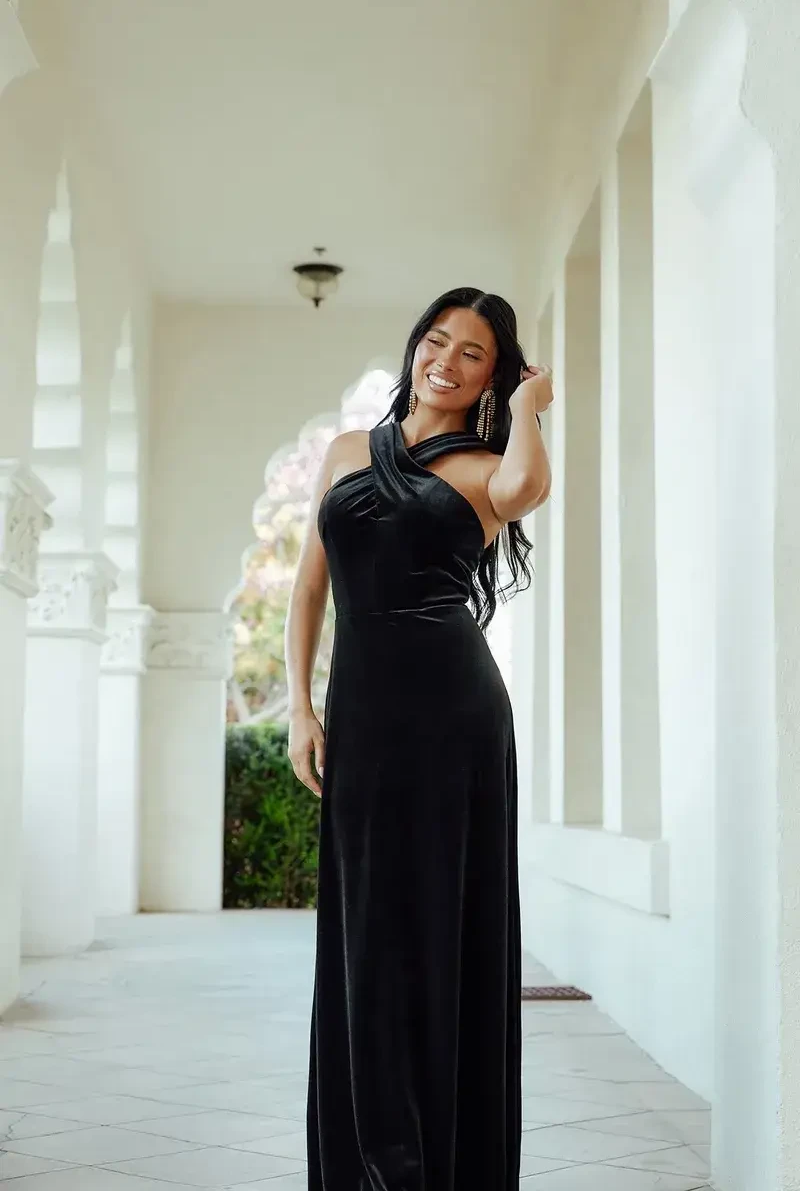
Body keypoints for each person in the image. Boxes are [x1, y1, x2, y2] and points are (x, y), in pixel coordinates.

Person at [285, 286, 553, 1190]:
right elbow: (309, 591)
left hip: (455, 720)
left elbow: (528, 488)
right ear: (414, 347)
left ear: (491, 374)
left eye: (472, 353)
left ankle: (440, 1162)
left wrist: (527, 411)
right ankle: (373, 1160)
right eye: (436, 341)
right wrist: (299, 707)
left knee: (445, 924)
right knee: (369, 929)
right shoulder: (346, 453)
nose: (445, 360)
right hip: (362, 717)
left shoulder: (486, 466)